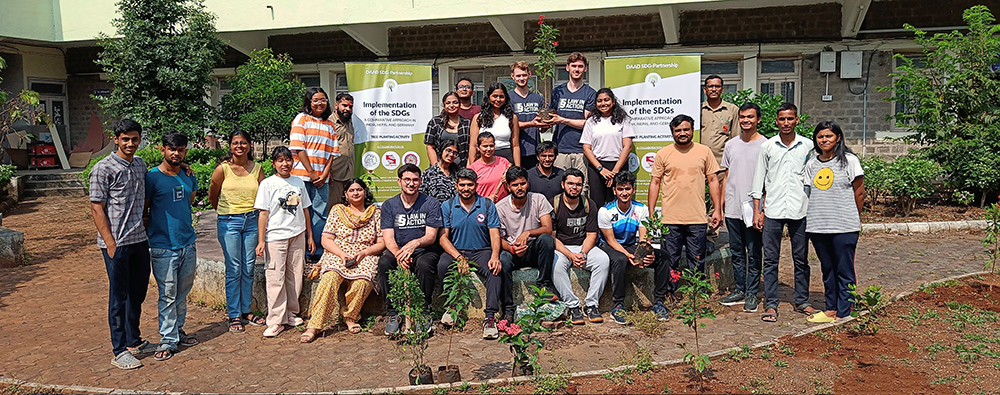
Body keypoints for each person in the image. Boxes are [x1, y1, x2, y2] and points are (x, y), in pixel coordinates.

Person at [90, 119, 153, 370]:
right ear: (115, 139)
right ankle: (119, 351)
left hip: (139, 240)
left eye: (134, 139)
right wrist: (110, 243)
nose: (130, 143)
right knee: (119, 296)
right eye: (125, 139)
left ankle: (133, 341)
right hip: (116, 243)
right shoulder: (103, 168)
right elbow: (97, 207)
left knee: (137, 293)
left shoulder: (139, 164)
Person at [751, 103, 816, 323]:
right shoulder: (768, 147)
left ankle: (802, 301)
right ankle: (771, 304)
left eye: (790, 119)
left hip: (800, 208)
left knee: (801, 258)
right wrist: (757, 211)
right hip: (773, 210)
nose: (786, 123)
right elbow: (758, 180)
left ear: (797, 120)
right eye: (782, 119)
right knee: (770, 260)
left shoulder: (808, 146)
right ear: (776, 121)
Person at [302, 178, 385, 342]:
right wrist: (341, 254)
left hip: (365, 254)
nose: (356, 193)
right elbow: (326, 239)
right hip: (338, 253)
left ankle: (350, 316)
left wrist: (365, 252)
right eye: (352, 190)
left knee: (363, 282)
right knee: (330, 279)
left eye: (359, 189)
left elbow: (381, 243)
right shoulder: (337, 210)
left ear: (365, 192)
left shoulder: (375, 212)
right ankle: (314, 325)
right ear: (346, 194)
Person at [144, 132, 199, 361]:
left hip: (188, 243)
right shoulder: (152, 177)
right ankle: (167, 339)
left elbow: (190, 200)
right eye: (171, 149)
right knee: (167, 294)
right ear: (162, 150)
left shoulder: (188, 175)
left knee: (182, 292)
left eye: (181, 149)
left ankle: (177, 330)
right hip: (163, 246)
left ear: (185, 151)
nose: (176, 153)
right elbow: (145, 208)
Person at [647, 114, 723, 278]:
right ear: (672, 132)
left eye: (686, 129)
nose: (682, 133)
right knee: (670, 260)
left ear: (692, 130)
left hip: (697, 218)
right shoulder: (663, 153)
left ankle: (697, 296)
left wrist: (717, 209)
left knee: (696, 261)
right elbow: (654, 183)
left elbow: (713, 180)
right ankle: (669, 294)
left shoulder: (704, 151)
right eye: (678, 130)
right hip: (670, 219)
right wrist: (652, 212)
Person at [803, 121, 864, 323]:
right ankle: (831, 308)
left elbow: (859, 191)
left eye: (828, 136)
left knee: (844, 268)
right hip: (818, 226)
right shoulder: (811, 164)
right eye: (820, 137)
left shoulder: (849, 160)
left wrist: (854, 216)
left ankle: (845, 310)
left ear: (838, 137)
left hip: (844, 226)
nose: (824, 140)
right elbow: (808, 193)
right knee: (827, 269)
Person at [254, 146, 316, 337]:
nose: (285, 164)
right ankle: (275, 320)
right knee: (275, 277)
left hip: (297, 235)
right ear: (273, 163)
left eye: (288, 160)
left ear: (293, 162)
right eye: (280, 160)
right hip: (275, 237)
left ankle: (291, 313)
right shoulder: (267, 184)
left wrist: (310, 236)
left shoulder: (298, 182)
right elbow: (263, 213)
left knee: (295, 275)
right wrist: (261, 240)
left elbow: (305, 210)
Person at [208, 130, 266, 333]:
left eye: (243, 142)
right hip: (229, 222)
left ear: (249, 145)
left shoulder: (257, 169)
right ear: (230, 146)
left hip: (252, 221)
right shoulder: (222, 169)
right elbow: (212, 196)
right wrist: (226, 213)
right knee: (234, 268)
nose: (239, 146)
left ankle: (245, 311)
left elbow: (263, 199)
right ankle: (233, 314)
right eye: (235, 143)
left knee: (248, 267)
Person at [437, 168, 505, 339]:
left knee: (494, 270)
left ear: (476, 185)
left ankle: (489, 318)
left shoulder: (487, 205)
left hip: (481, 250)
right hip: (457, 250)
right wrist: (459, 258)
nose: (466, 188)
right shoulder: (448, 206)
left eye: (470, 185)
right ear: (456, 186)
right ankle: (452, 307)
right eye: (462, 185)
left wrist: (495, 255)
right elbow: (443, 238)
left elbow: (494, 234)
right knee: (443, 265)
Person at [378, 164, 443, 336]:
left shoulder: (431, 203)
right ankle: (393, 313)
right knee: (384, 263)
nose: (411, 183)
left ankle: (423, 311)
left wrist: (415, 244)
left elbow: (431, 236)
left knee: (424, 265)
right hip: (397, 250)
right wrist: (400, 254)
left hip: (424, 249)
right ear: (399, 181)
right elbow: (388, 238)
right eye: (407, 179)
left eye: (415, 180)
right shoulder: (389, 205)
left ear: (420, 182)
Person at [600, 171, 671, 325]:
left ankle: (659, 302)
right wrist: (628, 255)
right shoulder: (605, 211)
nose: (624, 193)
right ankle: (618, 304)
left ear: (633, 189)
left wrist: (647, 253)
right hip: (610, 246)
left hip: (631, 246)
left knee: (663, 256)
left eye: (627, 189)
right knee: (619, 260)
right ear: (614, 190)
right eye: (620, 189)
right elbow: (610, 240)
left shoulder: (641, 209)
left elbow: (644, 238)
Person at [717, 103, 767, 312]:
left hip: (754, 209)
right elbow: (726, 175)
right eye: (743, 117)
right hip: (733, 208)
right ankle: (739, 288)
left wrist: (763, 209)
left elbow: (769, 180)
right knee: (737, 252)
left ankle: (752, 293)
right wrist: (719, 207)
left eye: (751, 117)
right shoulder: (731, 145)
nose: (746, 121)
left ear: (758, 120)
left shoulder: (766, 145)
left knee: (754, 252)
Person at [551, 168, 610, 325]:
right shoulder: (554, 204)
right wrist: (571, 255)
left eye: (578, 184)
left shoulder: (589, 204)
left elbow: (592, 234)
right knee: (556, 266)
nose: (574, 187)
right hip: (562, 248)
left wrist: (582, 254)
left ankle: (591, 304)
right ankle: (573, 306)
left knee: (603, 260)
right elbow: (552, 238)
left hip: (583, 246)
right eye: (570, 183)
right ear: (563, 184)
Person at [290, 87, 339, 262]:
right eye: (316, 100)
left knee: (320, 214)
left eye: (323, 99)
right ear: (309, 102)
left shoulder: (330, 125)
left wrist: (325, 174)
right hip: (300, 177)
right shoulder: (301, 119)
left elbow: (333, 153)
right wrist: (311, 173)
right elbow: (298, 148)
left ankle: (316, 251)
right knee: (299, 212)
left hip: (321, 179)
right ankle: (300, 250)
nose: (320, 103)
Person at [497, 166, 556, 303]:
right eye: (515, 185)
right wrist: (512, 249)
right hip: (512, 249)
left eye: (522, 183)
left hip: (533, 248)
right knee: (503, 261)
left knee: (547, 240)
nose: (519, 188)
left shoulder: (538, 199)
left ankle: (543, 288)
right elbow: (498, 239)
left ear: (528, 183)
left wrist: (528, 232)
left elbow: (548, 228)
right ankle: (508, 306)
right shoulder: (500, 207)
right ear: (508, 187)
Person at [546, 52, 596, 193]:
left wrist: (563, 120)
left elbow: (587, 123)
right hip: (560, 149)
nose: (577, 69)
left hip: (581, 150)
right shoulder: (558, 92)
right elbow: (552, 115)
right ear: (567, 67)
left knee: (582, 188)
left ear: (585, 69)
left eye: (580, 66)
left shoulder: (590, 93)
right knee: (561, 187)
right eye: (574, 66)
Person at [582, 88, 635, 205]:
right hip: (597, 168)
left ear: (613, 101)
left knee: (619, 201)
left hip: (618, 165)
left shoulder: (623, 120)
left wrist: (614, 172)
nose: (603, 103)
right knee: (597, 202)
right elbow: (586, 148)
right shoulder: (591, 121)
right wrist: (601, 169)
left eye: (606, 100)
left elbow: (627, 147)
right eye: (599, 101)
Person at [470, 83, 520, 166]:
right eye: (495, 96)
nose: (498, 99)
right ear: (489, 97)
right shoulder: (478, 118)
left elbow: (515, 146)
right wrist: (472, 167)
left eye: (501, 97)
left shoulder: (512, 118)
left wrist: (518, 168)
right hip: (484, 159)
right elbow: (473, 145)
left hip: (506, 158)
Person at [509, 61, 547, 170]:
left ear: (529, 75)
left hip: (534, 149)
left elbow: (541, 129)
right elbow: (509, 124)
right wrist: (531, 123)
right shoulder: (508, 98)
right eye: (518, 76)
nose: (521, 78)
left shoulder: (538, 98)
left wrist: (545, 125)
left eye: (524, 75)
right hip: (515, 149)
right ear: (513, 77)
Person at [424, 92, 472, 168]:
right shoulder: (435, 122)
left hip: (461, 168)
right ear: (444, 105)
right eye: (448, 103)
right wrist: (437, 169)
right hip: (440, 167)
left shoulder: (467, 124)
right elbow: (430, 147)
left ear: (460, 104)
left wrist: (467, 169)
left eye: (455, 102)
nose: (451, 105)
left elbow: (471, 148)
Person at [700, 75, 739, 163]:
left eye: (717, 86)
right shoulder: (698, 109)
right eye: (710, 86)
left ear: (722, 89)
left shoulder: (732, 110)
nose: (714, 89)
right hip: (701, 162)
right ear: (705, 90)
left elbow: (736, 138)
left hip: (722, 162)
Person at [328, 93, 356, 207]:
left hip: (349, 174)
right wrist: (327, 172)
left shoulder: (349, 123)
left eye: (350, 107)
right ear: (336, 105)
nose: (347, 109)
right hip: (335, 174)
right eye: (344, 105)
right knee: (334, 208)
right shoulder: (329, 123)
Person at [470, 132, 511, 202]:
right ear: (478, 147)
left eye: (491, 146)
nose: (488, 149)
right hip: (482, 207)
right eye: (485, 146)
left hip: (502, 206)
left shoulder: (504, 163)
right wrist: (486, 200)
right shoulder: (473, 169)